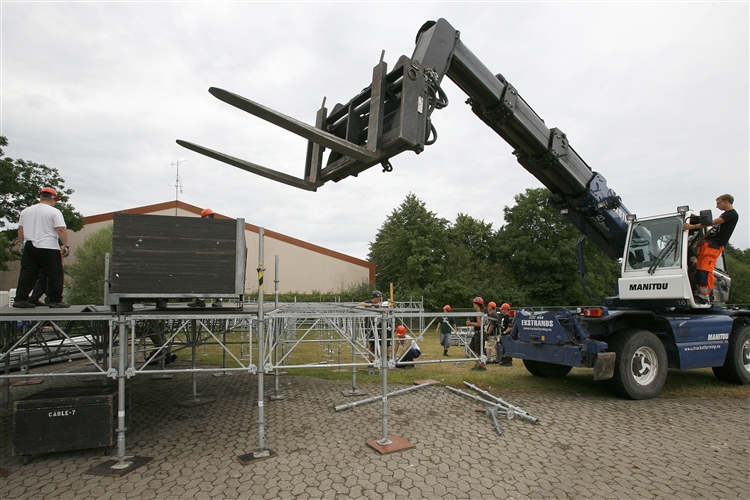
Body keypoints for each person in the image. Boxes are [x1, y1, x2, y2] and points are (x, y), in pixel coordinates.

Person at [13, 187, 70, 308]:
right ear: (53, 199)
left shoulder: (26, 211)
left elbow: (20, 229)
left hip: (30, 245)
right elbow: (60, 229)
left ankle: (21, 299)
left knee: (27, 273)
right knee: (55, 273)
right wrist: (66, 245)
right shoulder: (54, 212)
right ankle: (54, 300)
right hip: (48, 246)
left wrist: (22, 243)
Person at [682, 194, 739, 304]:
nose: (717, 206)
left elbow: (712, 222)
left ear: (726, 201)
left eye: (719, 203)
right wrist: (702, 240)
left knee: (706, 270)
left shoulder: (732, 215)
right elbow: (712, 228)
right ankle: (699, 293)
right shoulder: (725, 215)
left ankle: (704, 296)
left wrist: (692, 227)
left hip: (713, 246)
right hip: (707, 245)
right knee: (700, 269)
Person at [188, 208, 223, 308]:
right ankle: (201, 300)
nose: (211, 218)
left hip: (213, 259)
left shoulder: (216, 229)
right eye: (210, 216)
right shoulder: (203, 229)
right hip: (206, 258)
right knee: (203, 278)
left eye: (211, 216)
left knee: (216, 278)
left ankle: (218, 300)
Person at [359, 290, 391, 363]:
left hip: (378, 326)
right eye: (378, 298)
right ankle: (371, 361)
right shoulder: (369, 302)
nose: (379, 300)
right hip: (369, 325)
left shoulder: (379, 304)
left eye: (380, 298)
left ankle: (385, 359)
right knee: (372, 344)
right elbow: (360, 304)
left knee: (385, 342)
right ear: (374, 297)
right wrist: (372, 305)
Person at [466, 297, 486, 371]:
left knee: (479, 350)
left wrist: (470, 323)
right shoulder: (482, 313)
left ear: (477, 304)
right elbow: (486, 322)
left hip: (479, 333)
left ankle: (483, 365)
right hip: (478, 333)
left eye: (474, 304)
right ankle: (477, 364)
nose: (473, 305)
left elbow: (479, 324)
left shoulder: (478, 313)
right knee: (473, 349)